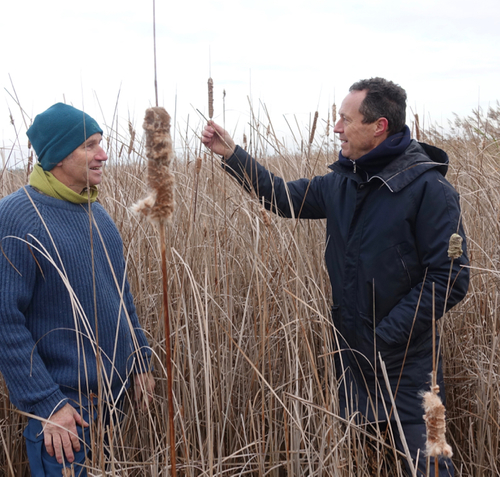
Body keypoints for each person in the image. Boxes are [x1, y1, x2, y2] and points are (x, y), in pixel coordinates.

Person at [201, 78, 469, 476]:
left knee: (429, 468)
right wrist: (234, 156)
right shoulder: (344, 181)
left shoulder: (430, 189)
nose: (336, 128)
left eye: (345, 119)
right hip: (353, 364)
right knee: (366, 465)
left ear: (378, 126)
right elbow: (282, 197)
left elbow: (450, 278)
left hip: (410, 370)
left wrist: (385, 337)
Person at [0, 103, 155, 476]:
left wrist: (140, 359)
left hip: (113, 403)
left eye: (100, 143)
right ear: (57, 154)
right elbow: (5, 320)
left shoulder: (96, 213)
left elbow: (120, 293)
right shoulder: (18, 215)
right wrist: (48, 405)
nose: (103, 155)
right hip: (65, 414)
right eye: (89, 145)